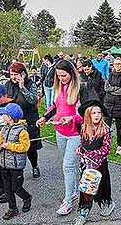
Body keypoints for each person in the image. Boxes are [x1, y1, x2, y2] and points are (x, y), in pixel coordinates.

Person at [36, 60, 96, 215]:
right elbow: (55, 106)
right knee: (70, 165)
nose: (61, 78)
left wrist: (73, 118)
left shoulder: (81, 89)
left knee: (67, 166)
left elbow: (88, 111)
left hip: (75, 133)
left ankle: (68, 201)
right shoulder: (59, 87)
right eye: (58, 76)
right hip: (60, 131)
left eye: (64, 75)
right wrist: (45, 117)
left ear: (71, 73)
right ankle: (74, 191)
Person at [73, 100, 115, 225]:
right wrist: (80, 148)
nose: (97, 115)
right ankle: (83, 212)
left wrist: (93, 154)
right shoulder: (84, 128)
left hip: (100, 165)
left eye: (99, 113)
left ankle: (108, 203)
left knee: (102, 188)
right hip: (86, 166)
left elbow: (106, 148)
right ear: (88, 115)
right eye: (93, 113)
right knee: (86, 189)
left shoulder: (105, 129)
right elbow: (83, 143)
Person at [0, 103, 32, 220]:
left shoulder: (22, 132)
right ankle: (12, 208)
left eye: (4, 114)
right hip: (4, 164)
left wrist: (9, 145)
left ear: (10, 117)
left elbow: (24, 147)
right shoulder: (4, 128)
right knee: (7, 188)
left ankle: (27, 197)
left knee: (16, 187)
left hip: (15, 166)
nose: (2, 116)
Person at [5, 62, 42, 179]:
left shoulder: (31, 84)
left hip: (29, 119)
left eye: (16, 74)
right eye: (11, 74)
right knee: (14, 146)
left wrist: (22, 87)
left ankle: (35, 166)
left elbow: (33, 100)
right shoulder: (8, 84)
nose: (14, 77)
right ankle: (16, 170)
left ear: (23, 74)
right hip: (14, 121)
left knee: (30, 147)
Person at [103, 57, 121, 155]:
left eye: (119, 64)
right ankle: (106, 145)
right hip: (109, 104)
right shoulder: (110, 75)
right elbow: (106, 87)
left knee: (120, 127)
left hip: (120, 104)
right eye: (115, 64)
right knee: (106, 126)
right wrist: (115, 89)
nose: (117, 66)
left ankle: (120, 145)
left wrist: (112, 91)